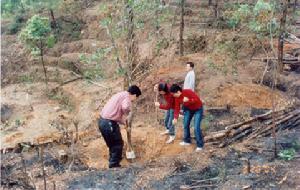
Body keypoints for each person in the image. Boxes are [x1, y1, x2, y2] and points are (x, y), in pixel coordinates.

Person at [98, 85, 142, 168]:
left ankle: (113, 163)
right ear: (134, 95)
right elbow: (125, 107)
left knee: (112, 145)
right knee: (117, 144)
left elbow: (115, 114)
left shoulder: (120, 95)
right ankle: (114, 165)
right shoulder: (127, 97)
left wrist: (125, 123)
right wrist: (128, 111)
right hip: (109, 123)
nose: (134, 100)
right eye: (136, 98)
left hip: (103, 122)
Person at [170, 84, 204, 152]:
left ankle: (200, 145)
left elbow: (197, 100)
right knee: (185, 124)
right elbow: (177, 108)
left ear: (178, 92)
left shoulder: (188, 92)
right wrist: (175, 118)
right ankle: (187, 141)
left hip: (198, 109)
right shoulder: (177, 98)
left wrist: (188, 100)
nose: (173, 96)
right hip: (188, 109)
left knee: (196, 127)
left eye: (174, 94)